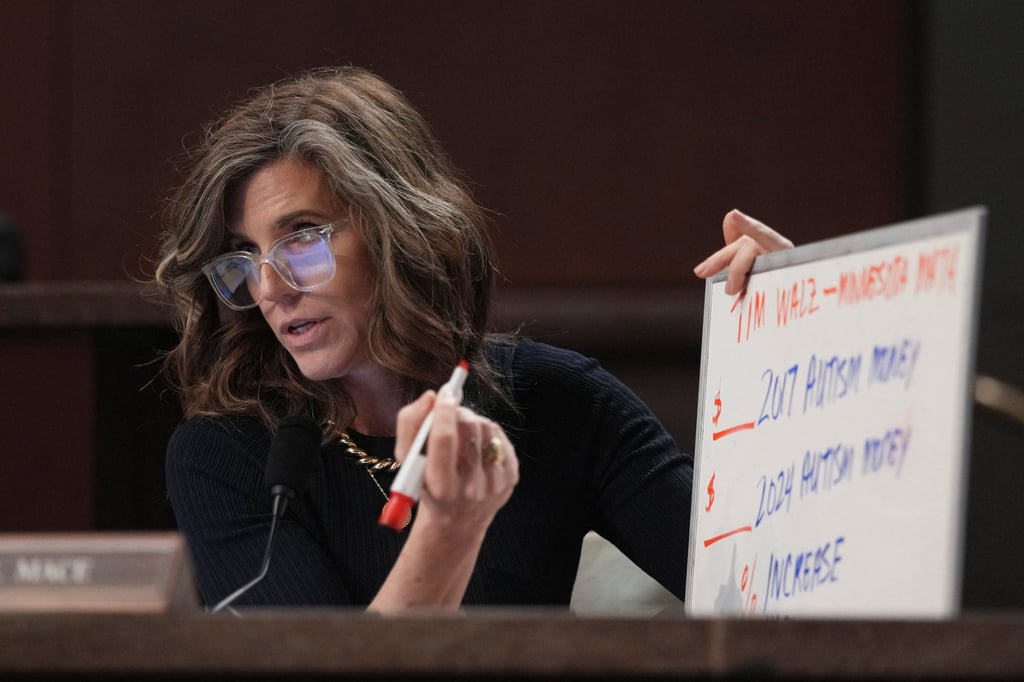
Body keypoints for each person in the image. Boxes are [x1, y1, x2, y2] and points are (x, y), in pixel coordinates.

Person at [154, 66, 792, 612]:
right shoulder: (228, 454)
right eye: (244, 254)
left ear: (395, 231)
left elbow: (769, 595)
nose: (270, 289)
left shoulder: (557, 401)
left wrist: (798, 342)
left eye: (301, 237)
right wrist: (449, 531)